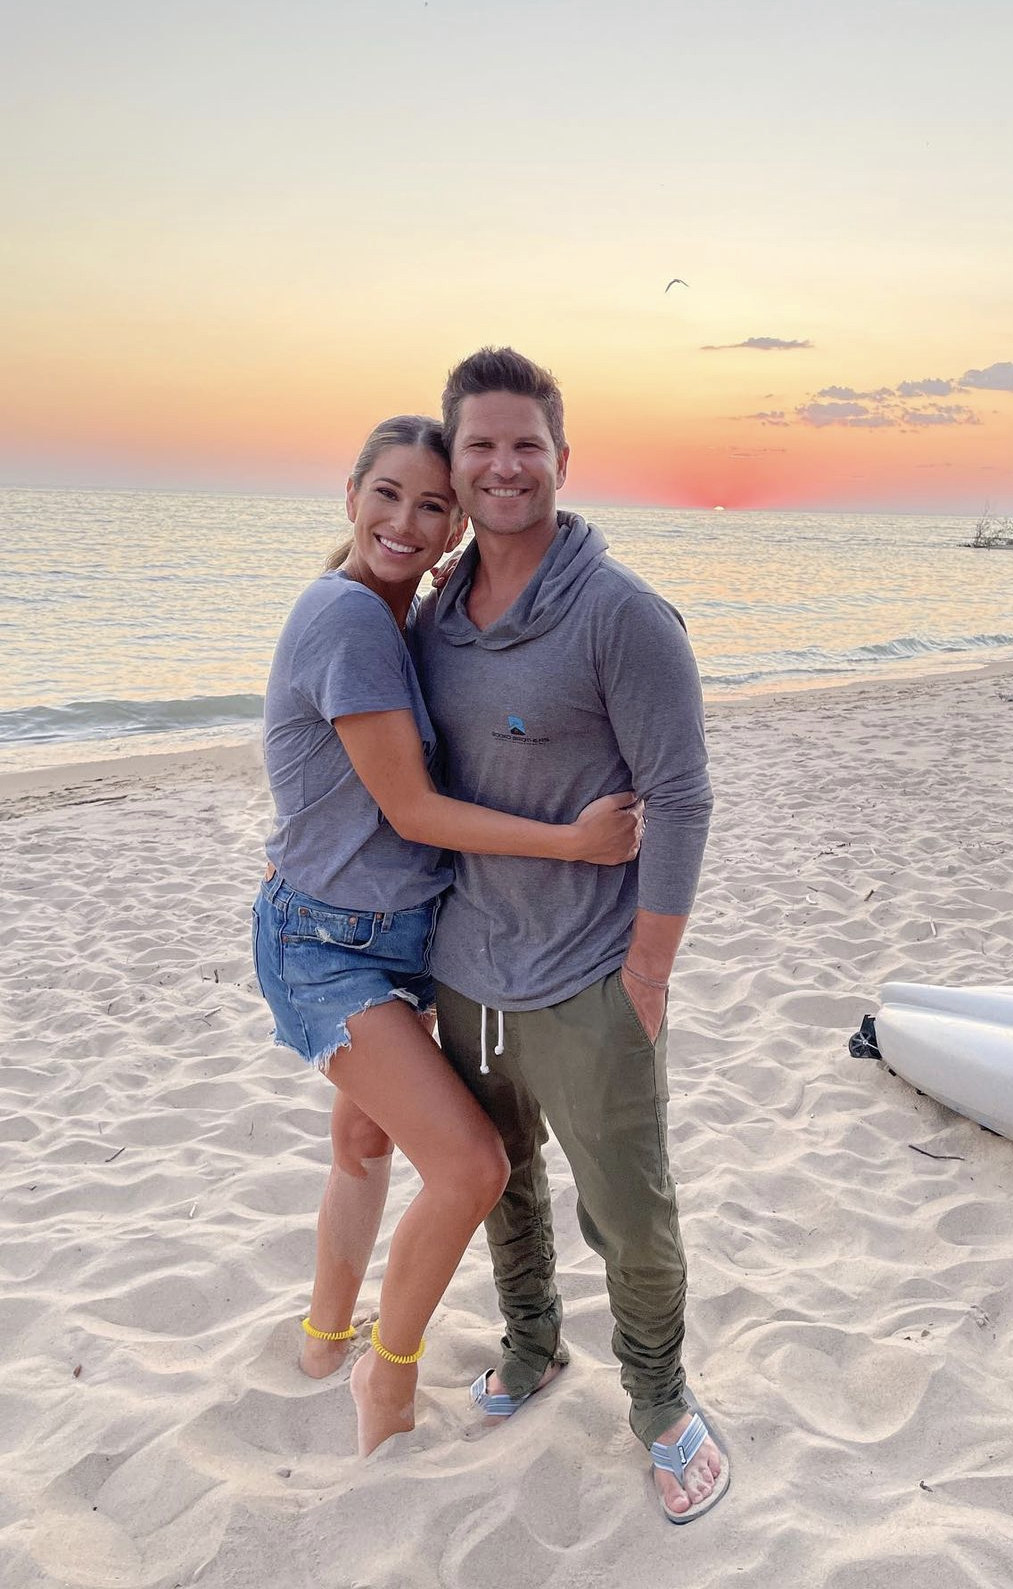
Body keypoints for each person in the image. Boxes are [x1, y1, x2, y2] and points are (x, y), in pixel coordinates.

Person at [252, 414, 642, 1457]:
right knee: (469, 1167)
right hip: (329, 947)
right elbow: (415, 810)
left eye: (434, 503)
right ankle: (386, 1375)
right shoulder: (346, 617)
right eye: (387, 494)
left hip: (390, 936)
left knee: (364, 1139)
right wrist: (571, 841)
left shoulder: (408, 618)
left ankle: (327, 1335)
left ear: (456, 519)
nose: (407, 520)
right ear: (349, 496)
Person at [412, 349, 728, 1523]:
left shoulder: (622, 614)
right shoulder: (436, 615)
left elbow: (682, 796)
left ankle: (659, 1398)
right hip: (463, 970)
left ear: (560, 457)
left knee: (631, 1213)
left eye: (524, 443)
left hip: (592, 976)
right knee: (502, 1183)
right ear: (454, 460)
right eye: (480, 444)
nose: (503, 464)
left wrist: (649, 967)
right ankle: (533, 1342)